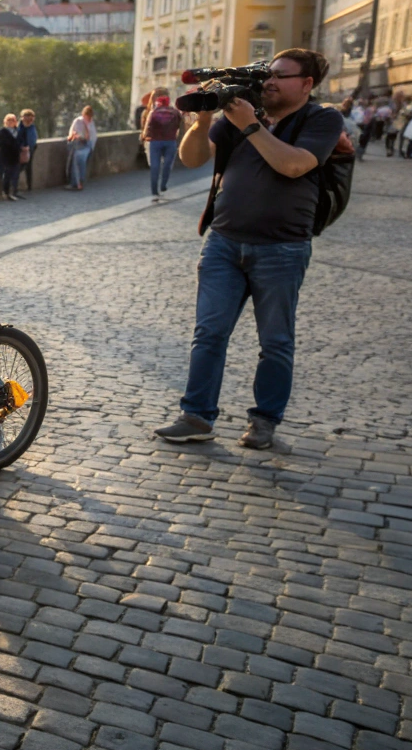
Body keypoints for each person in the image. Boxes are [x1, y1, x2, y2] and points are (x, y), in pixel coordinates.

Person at [155, 48, 345, 450]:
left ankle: (264, 422)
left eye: (282, 76)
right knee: (208, 333)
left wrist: (252, 126)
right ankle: (196, 416)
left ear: (307, 84)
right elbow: (192, 159)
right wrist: (205, 118)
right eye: (267, 75)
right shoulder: (238, 117)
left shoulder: (322, 119)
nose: (269, 82)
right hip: (224, 242)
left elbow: (294, 165)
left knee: (275, 341)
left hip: (283, 248)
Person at [141, 90, 184, 202]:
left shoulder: (153, 112)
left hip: (155, 142)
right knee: (167, 165)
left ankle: (155, 192)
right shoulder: (175, 112)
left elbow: (147, 128)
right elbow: (180, 125)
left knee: (155, 167)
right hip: (170, 141)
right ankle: (163, 185)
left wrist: (145, 136)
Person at [0, 114, 22, 200]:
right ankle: (6, 193)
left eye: (12, 121)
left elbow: (21, 141)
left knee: (15, 175)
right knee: (7, 175)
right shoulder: (1, 132)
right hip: (6, 156)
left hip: (15, 156)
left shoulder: (17, 131)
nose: (10, 123)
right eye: (8, 121)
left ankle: (14, 191)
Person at [66, 105, 97, 190]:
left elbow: (91, 136)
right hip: (78, 144)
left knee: (81, 163)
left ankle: (79, 182)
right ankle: (76, 183)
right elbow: (72, 132)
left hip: (87, 145)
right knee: (76, 163)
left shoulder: (91, 122)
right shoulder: (78, 121)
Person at [16, 110, 39, 193]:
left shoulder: (32, 127)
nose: (30, 120)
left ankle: (29, 186)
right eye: (27, 117)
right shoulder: (19, 127)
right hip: (20, 150)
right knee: (18, 167)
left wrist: (31, 146)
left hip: (30, 149)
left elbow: (33, 138)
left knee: (28, 167)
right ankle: (14, 186)